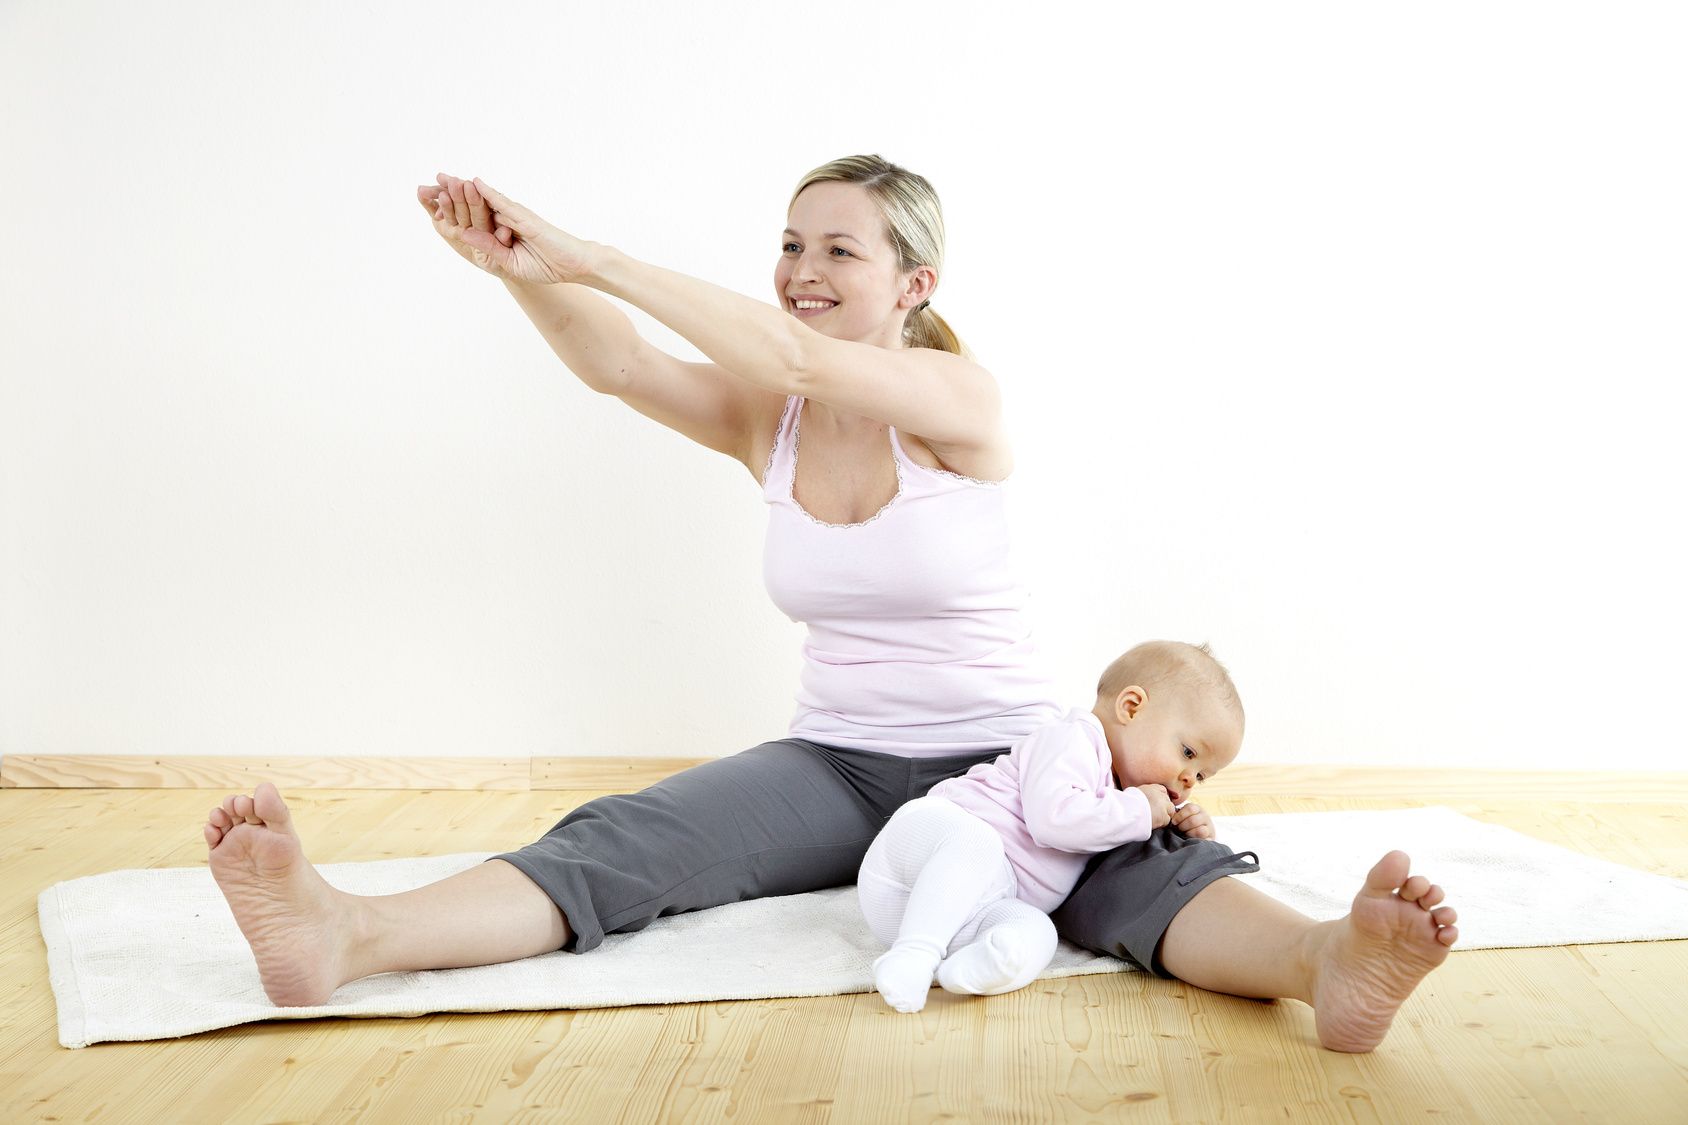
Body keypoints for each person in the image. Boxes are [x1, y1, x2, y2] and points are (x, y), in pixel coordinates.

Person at [202, 156, 1458, 1053]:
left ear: (913, 286)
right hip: (834, 760)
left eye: (837, 249)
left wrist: (598, 253)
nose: (801, 271)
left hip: (1004, 750)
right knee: (631, 840)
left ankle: (1325, 962)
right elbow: (624, 364)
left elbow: (794, 351)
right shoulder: (774, 420)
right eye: (790, 244)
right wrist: (522, 271)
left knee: (1121, 878)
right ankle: (345, 937)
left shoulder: (963, 405)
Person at [858, 640, 1247, 1013]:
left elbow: (1118, 828)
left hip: (955, 911)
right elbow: (1054, 820)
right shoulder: (1074, 739)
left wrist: (1187, 828)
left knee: (1037, 931)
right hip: (921, 850)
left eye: (1202, 775)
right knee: (978, 842)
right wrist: (1141, 810)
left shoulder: (1122, 793)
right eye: (1188, 754)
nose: (1188, 780)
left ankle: (970, 970)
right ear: (1131, 707)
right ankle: (913, 955)